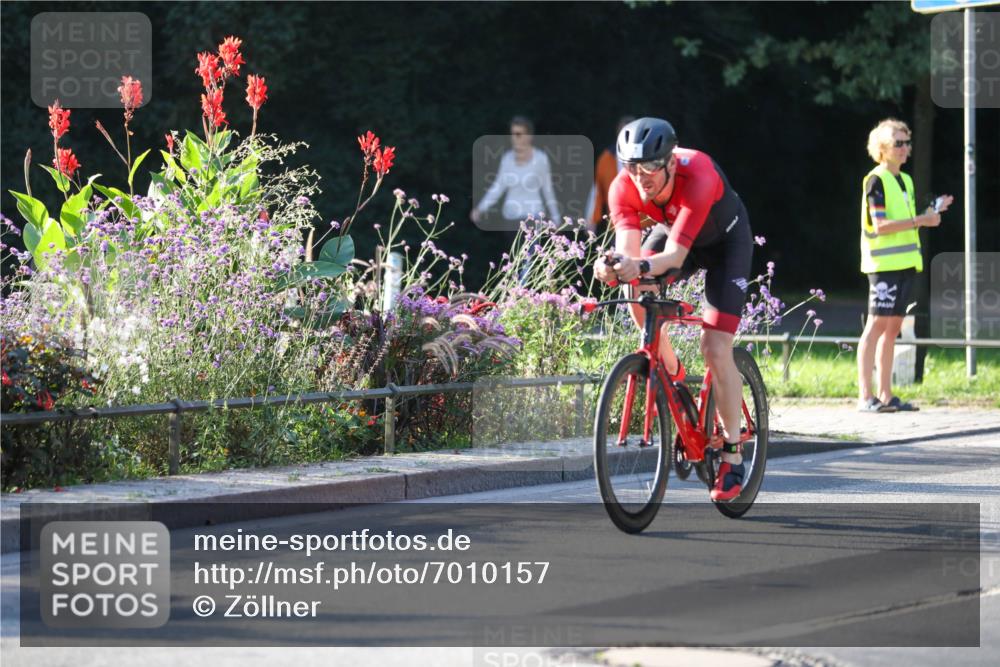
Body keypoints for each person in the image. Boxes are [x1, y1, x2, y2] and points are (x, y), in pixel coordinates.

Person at [592, 117, 753, 502]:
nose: (640, 177)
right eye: (631, 167)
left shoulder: (697, 172)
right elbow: (629, 251)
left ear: (670, 163)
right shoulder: (622, 187)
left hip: (724, 245)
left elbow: (674, 256)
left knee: (715, 348)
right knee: (639, 293)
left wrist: (640, 266)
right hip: (677, 236)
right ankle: (673, 377)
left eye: (649, 167)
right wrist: (612, 265)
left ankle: (732, 452)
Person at [856, 118, 952, 413]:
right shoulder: (876, 180)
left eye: (907, 142)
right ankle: (865, 397)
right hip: (883, 265)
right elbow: (882, 225)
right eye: (899, 143)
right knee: (875, 326)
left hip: (906, 264)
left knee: (893, 327)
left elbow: (905, 222)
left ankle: (886, 395)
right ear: (883, 148)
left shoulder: (905, 180)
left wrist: (929, 214)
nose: (905, 148)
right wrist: (921, 220)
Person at [470, 116, 561, 231]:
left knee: (531, 249)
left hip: (533, 216)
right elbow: (498, 186)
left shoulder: (540, 159)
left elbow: (548, 189)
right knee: (514, 249)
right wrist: (480, 208)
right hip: (511, 218)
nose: (514, 138)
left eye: (518, 134)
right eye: (512, 134)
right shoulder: (507, 159)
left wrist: (556, 218)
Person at [585, 115, 635, 235]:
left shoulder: (650, 158)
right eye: (624, 134)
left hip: (646, 225)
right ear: (618, 134)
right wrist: (592, 220)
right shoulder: (606, 158)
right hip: (618, 225)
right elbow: (597, 191)